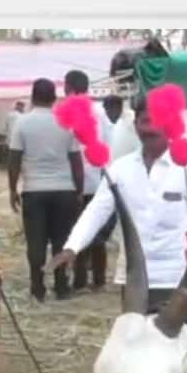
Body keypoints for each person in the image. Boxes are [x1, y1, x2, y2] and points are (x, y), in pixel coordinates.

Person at [47, 95, 187, 314]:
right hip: (134, 278)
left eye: (158, 121)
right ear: (135, 125)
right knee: (133, 341)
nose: (151, 128)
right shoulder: (121, 168)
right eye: (145, 121)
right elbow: (97, 210)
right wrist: (72, 247)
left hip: (177, 278)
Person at [8, 78, 84, 302]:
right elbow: (76, 162)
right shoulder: (66, 123)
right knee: (61, 240)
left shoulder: (22, 123)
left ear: (32, 97)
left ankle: (37, 287)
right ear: (54, 98)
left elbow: (14, 160)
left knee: (36, 242)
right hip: (64, 190)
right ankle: (61, 286)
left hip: (34, 190)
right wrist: (78, 191)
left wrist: (13, 189)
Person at [63, 69, 114, 292]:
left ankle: (80, 278)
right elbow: (110, 143)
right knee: (97, 230)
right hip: (96, 177)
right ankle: (99, 279)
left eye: (65, 87)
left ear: (70, 88)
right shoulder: (100, 112)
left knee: (77, 227)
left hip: (74, 179)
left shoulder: (66, 112)